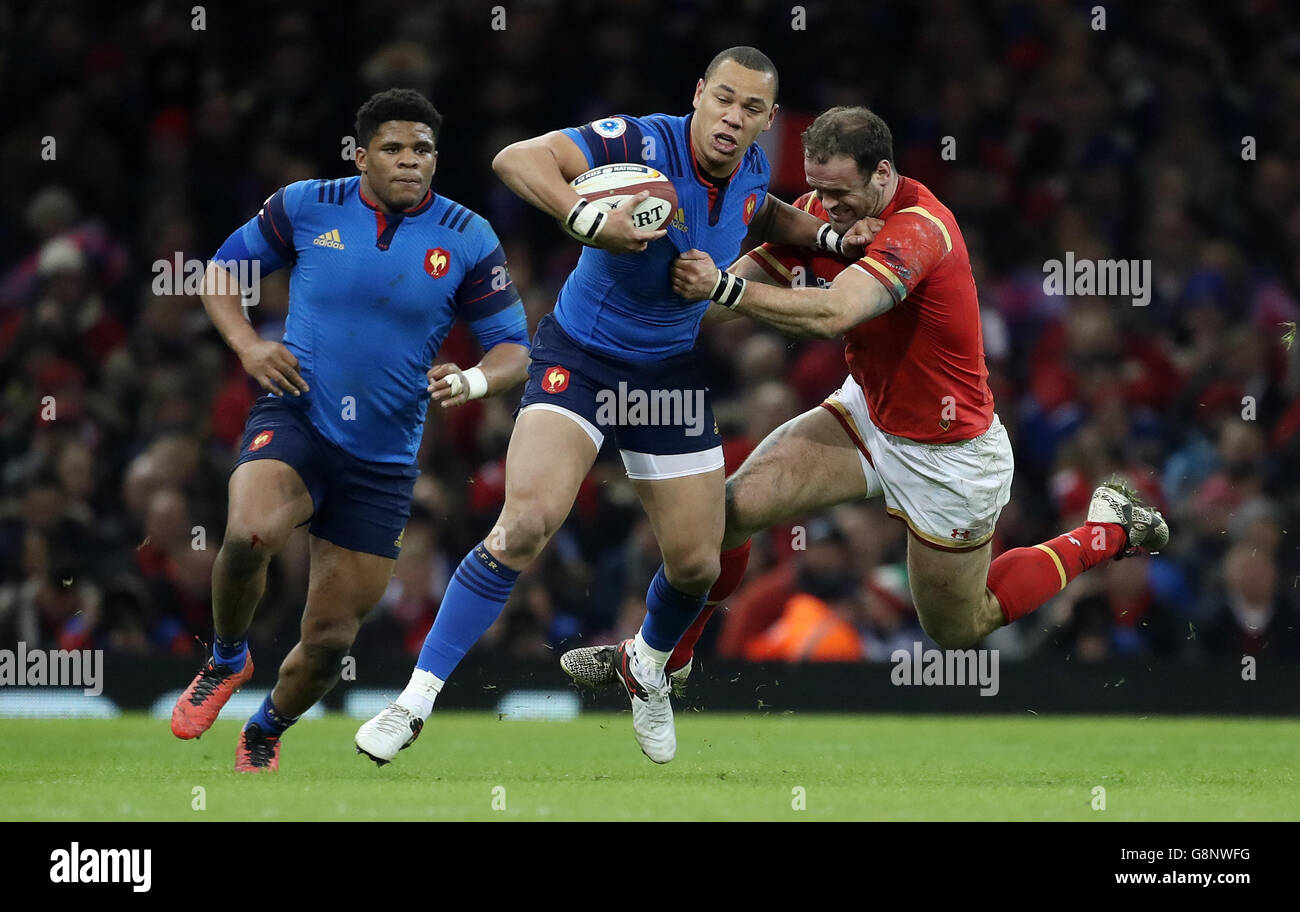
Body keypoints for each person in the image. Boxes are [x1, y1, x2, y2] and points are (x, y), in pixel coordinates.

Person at [357, 47, 865, 766]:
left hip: (665, 377)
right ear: (698, 93)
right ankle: (413, 700)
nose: (732, 117)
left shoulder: (752, 165)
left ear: (768, 120)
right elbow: (515, 158)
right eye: (723, 99)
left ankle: (647, 668)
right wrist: (586, 219)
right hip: (581, 360)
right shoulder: (641, 140)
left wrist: (828, 238)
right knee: (525, 525)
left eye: (751, 109)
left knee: (697, 564)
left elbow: (766, 211)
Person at [561, 105, 1168, 694]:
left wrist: (720, 285)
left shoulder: (921, 228)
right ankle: (666, 662)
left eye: (840, 194)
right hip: (867, 416)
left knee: (960, 625)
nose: (827, 208)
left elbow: (834, 312)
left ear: (883, 174)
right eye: (818, 191)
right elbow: (729, 298)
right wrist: (662, 261)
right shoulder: (824, 214)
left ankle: (1108, 531)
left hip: (950, 454)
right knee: (731, 514)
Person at [169, 88, 531, 772]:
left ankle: (266, 729)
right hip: (298, 410)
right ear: (361, 156)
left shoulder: (468, 235)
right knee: (249, 533)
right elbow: (220, 271)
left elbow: (515, 348)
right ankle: (226, 659)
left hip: (384, 460)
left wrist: (475, 379)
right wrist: (248, 346)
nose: (409, 162)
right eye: (392, 149)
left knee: (332, 639)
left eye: (422, 150)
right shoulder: (306, 205)